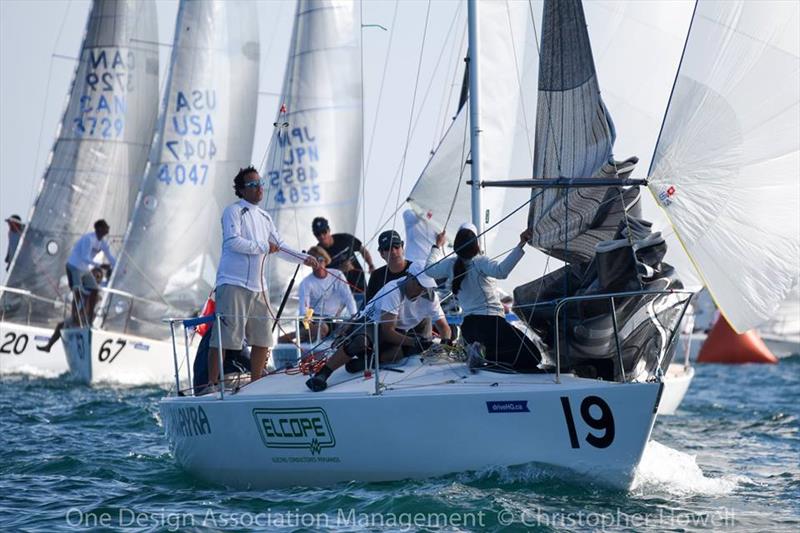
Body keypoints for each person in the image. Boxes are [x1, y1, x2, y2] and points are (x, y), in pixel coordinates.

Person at [207, 166, 317, 388]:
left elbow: (281, 246)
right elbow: (232, 241)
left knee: (263, 338)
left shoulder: (265, 217)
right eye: (253, 185)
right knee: (225, 338)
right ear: (241, 190)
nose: (259, 188)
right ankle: (210, 383)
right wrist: (263, 246)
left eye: (260, 183)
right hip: (233, 283)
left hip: (259, 287)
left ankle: (256, 384)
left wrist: (304, 259)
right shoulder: (234, 211)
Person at [306, 262, 452, 392]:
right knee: (359, 343)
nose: (423, 290)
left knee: (398, 353)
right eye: (420, 284)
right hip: (371, 322)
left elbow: (444, 328)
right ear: (409, 277)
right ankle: (323, 374)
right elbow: (387, 332)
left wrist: (446, 342)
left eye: (427, 286)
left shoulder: (430, 296)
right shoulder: (394, 290)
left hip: (397, 328)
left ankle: (361, 364)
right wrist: (414, 341)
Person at [425, 223, 544, 372]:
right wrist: (521, 244)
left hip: (469, 328)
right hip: (490, 324)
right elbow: (502, 271)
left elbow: (429, 270)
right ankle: (485, 355)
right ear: (476, 244)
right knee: (534, 356)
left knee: (511, 351)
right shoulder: (480, 261)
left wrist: (436, 247)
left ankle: (481, 353)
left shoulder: (450, 264)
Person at [278, 246, 357, 343]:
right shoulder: (306, 283)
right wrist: (309, 324)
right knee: (320, 328)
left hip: (331, 319)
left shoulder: (338, 275)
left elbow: (348, 298)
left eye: (320, 259)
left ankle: (301, 335)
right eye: (314, 260)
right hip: (311, 318)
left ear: (325, 260)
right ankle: (302, 335)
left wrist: (354, 316)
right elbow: (304, 308)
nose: (318, 263)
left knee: (344, 326)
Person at [37, 266, 106, 352]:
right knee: (60, 325)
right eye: (93, 276)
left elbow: (92, 308)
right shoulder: (82, 288)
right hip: (77, 319)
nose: (95, 278)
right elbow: (75, 302)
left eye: (98, 277)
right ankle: (48, 346)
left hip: (88, 322)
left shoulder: (98, 293)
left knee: (78, 329)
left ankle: (83, 350)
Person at [65, 219, 116, 323]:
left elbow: (110, 256)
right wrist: (100, 265)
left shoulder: (102, 243)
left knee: (94, 290)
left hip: (83, 269)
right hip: (74, 266)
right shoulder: (89, 239)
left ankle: (89, 316)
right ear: (99, 228)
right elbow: (85, 257)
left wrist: (117, 266)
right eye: (106, 227)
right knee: (78, 292)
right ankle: (75, 317)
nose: (108, 229)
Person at [311, 216, 374, 298]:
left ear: (329, 230)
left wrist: (371, 265)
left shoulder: (345, 238)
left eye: (324, 232)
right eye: (318, 234)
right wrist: (340, 269)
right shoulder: (317, 252)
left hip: (359, 286)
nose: (322, 236)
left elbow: (362, 250)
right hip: (338, 293)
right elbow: (320, 275)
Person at [364, 229, 412, 302]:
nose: (393, 252)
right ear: (381, 253)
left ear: (402, 247)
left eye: (396, 246)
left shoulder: (415, 269)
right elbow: (367, 305)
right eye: (387, 248)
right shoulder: (376, 276)